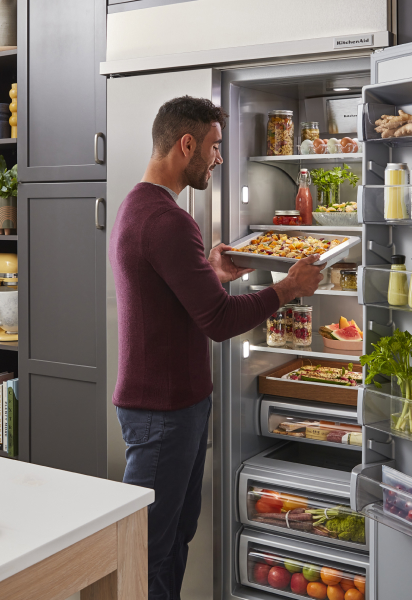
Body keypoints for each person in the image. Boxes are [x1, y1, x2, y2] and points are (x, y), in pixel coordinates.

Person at [109, 96, 323, 600]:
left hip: (171, 405)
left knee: (173, 539)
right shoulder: (168, 220)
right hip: (162, 412)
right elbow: (220, 320)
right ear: (187, 145)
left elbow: (173, 296)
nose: (219, 158)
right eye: (214, 146)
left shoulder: (142, 206)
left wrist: (209, 272)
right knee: (148, 550)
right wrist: (288, 288)